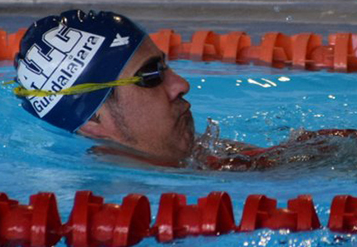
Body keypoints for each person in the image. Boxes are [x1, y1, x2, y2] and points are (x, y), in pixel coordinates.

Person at [13, 9, 262, 167]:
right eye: (151, 74)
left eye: (164, 66)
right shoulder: (122, 203)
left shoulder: (183, 155)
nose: (181, 85)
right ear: (94, 121)